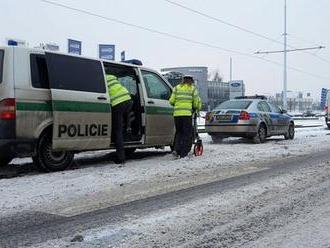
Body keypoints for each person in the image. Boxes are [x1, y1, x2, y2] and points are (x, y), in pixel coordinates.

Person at [169, 75, 202, 158]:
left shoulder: (176, 88)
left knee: (179, 132)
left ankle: (176, 150)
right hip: (187, 115)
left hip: (177, 115)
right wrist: (195, 108)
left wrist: (177, 105)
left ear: (183, 80)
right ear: (191, 81)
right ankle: (183, 153)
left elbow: (171, 101)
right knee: (187, 134)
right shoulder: (192, 89)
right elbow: (195, 103)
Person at [107, 75, 133, 164]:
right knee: (126, 119)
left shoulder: (101, 77)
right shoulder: (112, 77)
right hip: (128, 99)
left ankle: (121, 158)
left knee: (117, 130)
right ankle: (128, 128)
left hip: (117, 103)